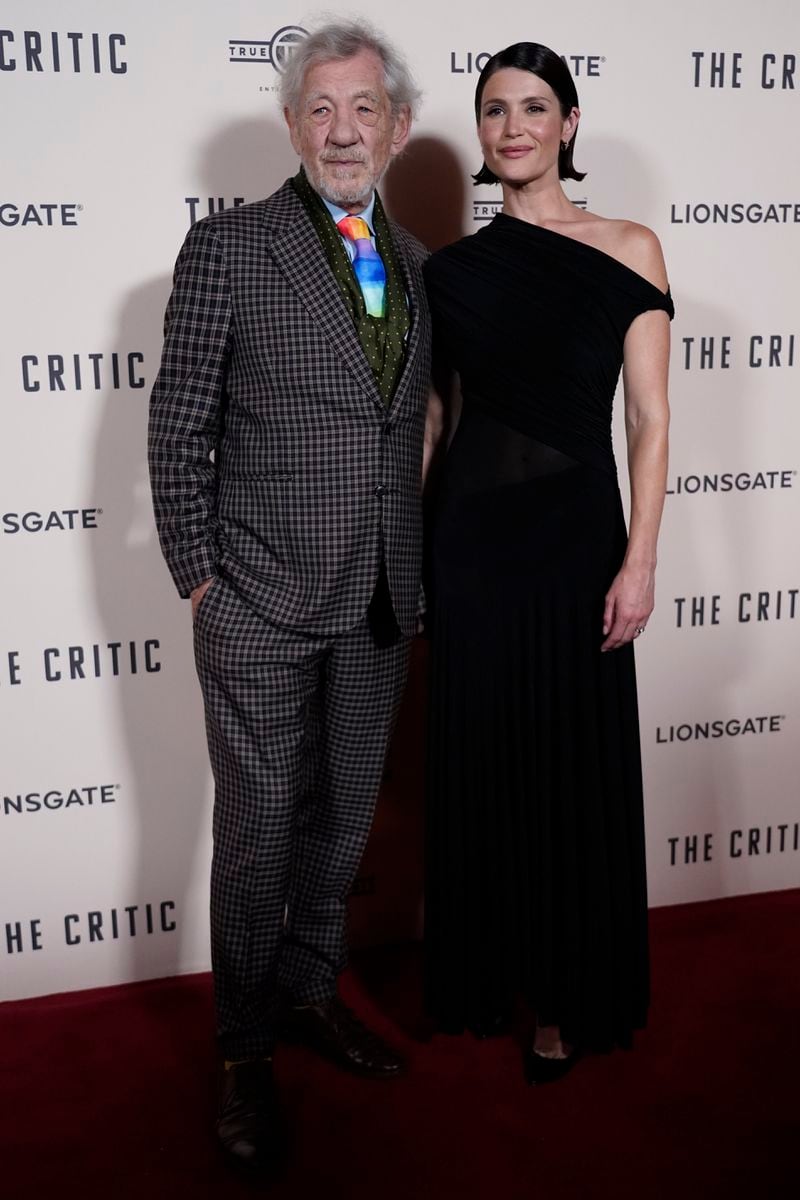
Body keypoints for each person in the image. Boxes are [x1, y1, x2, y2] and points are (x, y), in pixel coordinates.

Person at [148, 21, 430, 1171]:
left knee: (342, 818)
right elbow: (177, 429)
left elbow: (397, 426)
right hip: (257, 600)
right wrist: (203, 580)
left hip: (378, 599)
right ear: (289, 123)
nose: (341, 130)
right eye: (319, 108)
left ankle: (310, 992)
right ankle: (240, 1049)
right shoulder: (230, 250)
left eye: (362, 109)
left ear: (397, 127)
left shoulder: (414, 260)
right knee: (259, 833)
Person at [422, 42, 672, 1083]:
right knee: (486, 766)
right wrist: (409, 551)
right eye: (492, 111)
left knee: (568, 769)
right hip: (470, 543)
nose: (511, 126)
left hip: (575, 543)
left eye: (532, 107)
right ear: (479, 135)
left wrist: (638, 560)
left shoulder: (629, 248)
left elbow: (651, 422)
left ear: (568, 123)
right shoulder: (450, 271)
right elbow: (438, 416)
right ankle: (487, 974)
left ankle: (562, 1002)